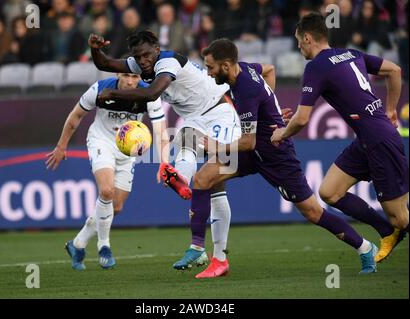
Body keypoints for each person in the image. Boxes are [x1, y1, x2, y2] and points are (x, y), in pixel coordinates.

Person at [190, 38, 380, 278]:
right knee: (203, 178)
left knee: (312, 212)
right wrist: (272, 110)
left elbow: (248, 141)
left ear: (226, 65)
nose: (208, 73)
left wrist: (216, 146)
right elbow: (269, 69)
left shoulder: (246, 88)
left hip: (275, 154)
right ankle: (207, 254)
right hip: (252, 151)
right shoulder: (245, 68)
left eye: (210, 67)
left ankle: (366, 247)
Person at [87, 30, 242, 270]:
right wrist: (95, 49)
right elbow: (105, 63)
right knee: (187, 148)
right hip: (194, 119)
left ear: (157, 50)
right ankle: (181, 181)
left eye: (147, 55)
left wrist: (114, 92)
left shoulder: (168, 61)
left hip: (219, 112)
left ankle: (215, 254)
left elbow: (152, 93)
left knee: (214, 184)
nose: (143, 61)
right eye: (138, 57)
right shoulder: (140, 63)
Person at [271, 13, 408, 264]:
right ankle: (388, 233)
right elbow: (394, 70)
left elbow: (302, 119)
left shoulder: (316, 67)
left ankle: (394, 229)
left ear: (308, 38)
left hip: (380, 141)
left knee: (400, 218)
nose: (299, 47)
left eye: (299, 41)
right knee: (329, 192)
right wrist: (390, 110)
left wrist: (281, 132)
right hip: (368, 139)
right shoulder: (351, 54)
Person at [46, 71, 169, 270]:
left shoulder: (149, 94)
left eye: (135, 77)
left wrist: (164, 162)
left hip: (128, 150)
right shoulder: (101, 89)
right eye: (127, 75)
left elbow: (161, 130)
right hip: (101, 141)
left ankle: (77, 244)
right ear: (119, 73)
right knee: (106, 191)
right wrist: (61, 146)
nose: (130, 81)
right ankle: (104, 246)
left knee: (116, 207)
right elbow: (76, 115)